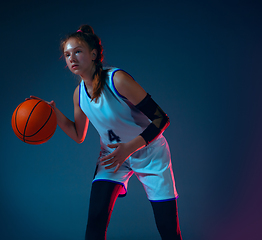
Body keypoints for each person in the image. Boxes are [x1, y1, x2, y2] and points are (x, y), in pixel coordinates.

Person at [34, 24, 182, 240]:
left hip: (150, 154)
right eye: (67, 54)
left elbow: (162, 119)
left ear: (93, 54)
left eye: (78, 51)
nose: (72, 58)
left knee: (168, 229)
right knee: (95, 219)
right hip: (113, 158)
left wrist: (128, 148)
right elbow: (78, 135)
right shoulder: (79, 95)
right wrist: (51, 112)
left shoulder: (117, 80)